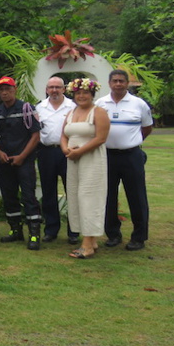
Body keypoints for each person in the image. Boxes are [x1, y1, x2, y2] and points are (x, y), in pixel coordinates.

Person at [95, 69, 154, 251]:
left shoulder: (139, 104)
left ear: (127, 83)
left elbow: (147, 128)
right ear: (109, 83)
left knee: (136, 196)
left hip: (131, 156)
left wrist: (131, 141)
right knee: (108, 196)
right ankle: (113, 235)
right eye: (115, 81)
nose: (118, 84)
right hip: (107, 156)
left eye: (121, 81)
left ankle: (139, 237)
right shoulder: (100, 103)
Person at [0, 76, 42, 250]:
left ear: (15, 89)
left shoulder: (27, 108)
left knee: (28, 196)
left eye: (8, 89)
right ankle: (15, 231)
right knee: (9, 196)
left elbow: (35, 135)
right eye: (1, 90)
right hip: (5, 162)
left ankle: (34, 234)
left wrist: (22, 156)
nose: (5, 92)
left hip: (24, 161)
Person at [61, 78, 110, 259]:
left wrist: (79, 151)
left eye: (85, 93)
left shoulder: (99, 112)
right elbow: (63, 135)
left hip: (92, 159)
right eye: (78, 93)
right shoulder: (71, 113)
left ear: (92, 94)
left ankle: (87, 244)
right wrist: (66, 149)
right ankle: (91, 240)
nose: (81, 96)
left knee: (89, 197)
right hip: (73, 160)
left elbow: (101, 138)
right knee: (74, 196)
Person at [36, 76, 78, 244]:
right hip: (46, 152)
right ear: (46, 90)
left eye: (57, 87)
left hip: (68, 153)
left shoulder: (73, 107)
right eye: (51, 87)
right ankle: (51, 230)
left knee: (72, 191)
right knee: (48, 192)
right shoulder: (39, 107)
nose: (54, 90)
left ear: (64, 89)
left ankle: (74, 230)